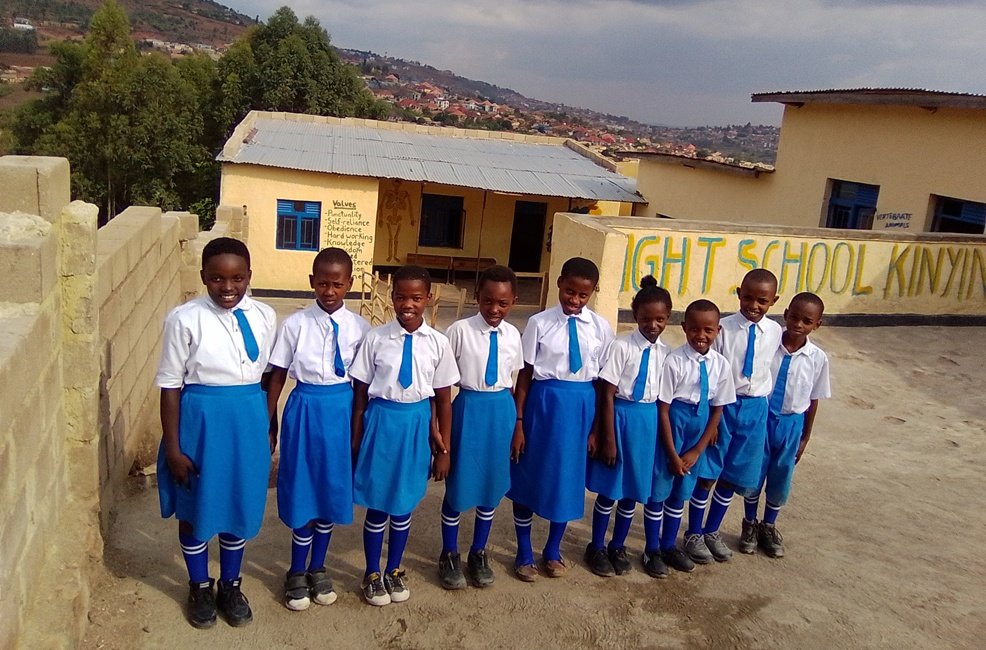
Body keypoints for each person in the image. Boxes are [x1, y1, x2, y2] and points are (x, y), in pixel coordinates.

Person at [155, 237, 277, 628]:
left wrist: (269, 425)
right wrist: (173, 448)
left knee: (237, 504)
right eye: (217, 278)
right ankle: (198, 585)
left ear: (249, 276)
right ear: (203, 277)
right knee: (196, 505)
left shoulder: (265, 315)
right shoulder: (184, 319)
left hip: (247, 421)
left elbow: (268, 376)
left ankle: (230, 584)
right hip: (201, 423)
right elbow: (170, 385)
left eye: (237, 278)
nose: (228, 287)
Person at [266, 247, 370, 611]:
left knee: (330, 487)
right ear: (312, 282)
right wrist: (268, 421)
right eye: (323, 283)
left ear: (349, 284)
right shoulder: (295, 324)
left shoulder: (361, 328)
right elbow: (277, 375)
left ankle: (318, 567)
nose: (329, 291)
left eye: (337, 284)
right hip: (305, 407)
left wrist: (360, 426)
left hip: (342, 409)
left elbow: (363, 383)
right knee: (303, 486)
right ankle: (296, 569)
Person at [349, 265, 459, 606]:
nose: (407, 304)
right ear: (392, 297)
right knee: (378, 503)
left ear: (429, 298)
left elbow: (443, 399)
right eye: (400, 297)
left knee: (404, 504)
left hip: (416, 425)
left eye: (416, 297)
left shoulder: (438, 343)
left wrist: (444, 450)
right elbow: (360, 394)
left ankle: (394, 569)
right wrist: (356, 440)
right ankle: (371, 572)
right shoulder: (376, 338)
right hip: (382, 423)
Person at [508, 257, 615, 581]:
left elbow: (602, 382)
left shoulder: (601, 328)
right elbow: (525, 375)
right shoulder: (539, 323)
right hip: (543, 405)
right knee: (529, 475)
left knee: (567, 479)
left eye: (583, 295)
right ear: (559, 284)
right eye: (569, 291)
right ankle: (524, 551)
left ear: (592, 293)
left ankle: (553, 549)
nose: (574, 300)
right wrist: (519, 422)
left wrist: (596, 429)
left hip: (581, 407)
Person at [685, 269, 781, 564]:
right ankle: (694, 532)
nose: (754, 305)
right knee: (708, 473)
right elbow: (712, 370)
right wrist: (712, 416)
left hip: (755, 409)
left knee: (733, 475)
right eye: (748, 298)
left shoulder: (775, 331)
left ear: (774, 301)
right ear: (739, 293)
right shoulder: (723, 329)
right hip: (724, 407)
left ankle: (712, 530)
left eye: (762, 301)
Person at [438, 265, 524, 589]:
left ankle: (478, 551)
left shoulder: (513, 335)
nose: (494, 309)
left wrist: (517, 423)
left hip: (501, 411)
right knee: (459, 484)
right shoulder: (459, 331)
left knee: (491, 484)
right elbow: (443, 382)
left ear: (513, 302)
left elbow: (512, 380)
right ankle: (449, 553)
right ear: (477, 297)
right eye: (488, 301)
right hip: (469, 408)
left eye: (503, 303)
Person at [584, 275, 672, 577]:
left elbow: (664, 398)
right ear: (635, 316)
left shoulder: (666, 353)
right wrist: (608, 437)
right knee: (610, 489)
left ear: (668, 318)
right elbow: (607, 392)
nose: (653, 325)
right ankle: (596, 545)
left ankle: (617, 545)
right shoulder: (622, 346)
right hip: (620, 419)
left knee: (633, 490)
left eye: (660, 319)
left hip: (647, 423)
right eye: (646, 319)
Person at [644, 299, 735, 576]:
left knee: (680, 493)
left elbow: (718, 409)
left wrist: (698, 450)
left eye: (708, 330)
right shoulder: (674, 361)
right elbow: (663, 408)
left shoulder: (721, 365)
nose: (701, 335)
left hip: (699, 429)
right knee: (659, 489)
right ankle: (652, 549)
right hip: (674, 426)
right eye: (694, 329)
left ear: (718, 331)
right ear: (684, 327)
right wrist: (672, 453)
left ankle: (669, 545)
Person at [743, 292, 830, 558]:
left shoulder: (817, 358)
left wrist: (805, 437)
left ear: (817, 324)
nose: (798, 324)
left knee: (781, 475)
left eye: (807, 321)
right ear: (785, 314)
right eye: (794, 317)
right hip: (763, 419)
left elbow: (813, 399)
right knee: (754, 473)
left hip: (792, 424)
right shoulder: (768, 344)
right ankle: (749, 523)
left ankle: (769, 525)